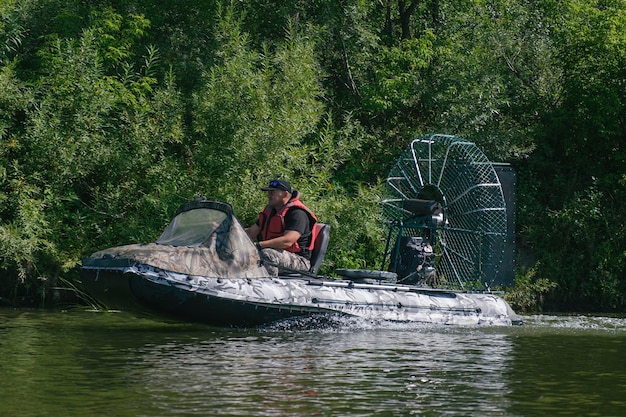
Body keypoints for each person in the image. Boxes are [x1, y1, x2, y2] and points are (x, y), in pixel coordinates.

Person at [246, 179, 317, 276]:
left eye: (273, 192)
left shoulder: (297, 213)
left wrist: (258, 245)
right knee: (237, 251)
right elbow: (250, 233)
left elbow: (288, 240)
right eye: (269, 192)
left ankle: (266, 286)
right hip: (275, 253)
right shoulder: (271, 212)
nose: (269, 195)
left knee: (267, 255)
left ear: (285, 194)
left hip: (299, 260)